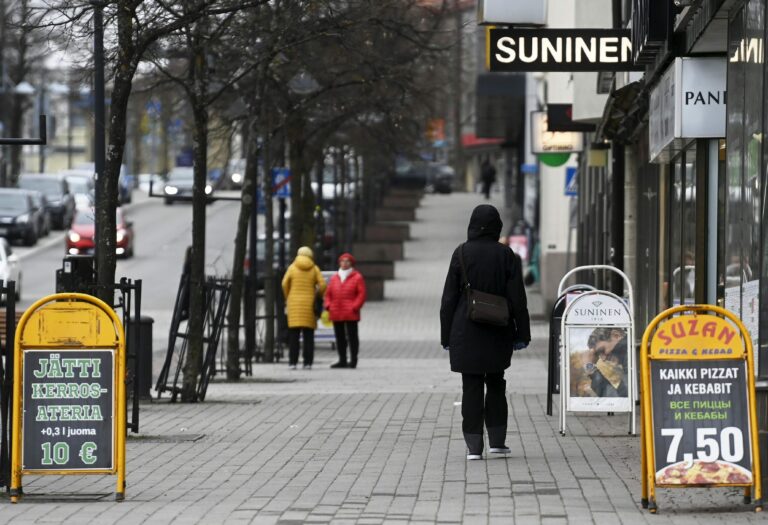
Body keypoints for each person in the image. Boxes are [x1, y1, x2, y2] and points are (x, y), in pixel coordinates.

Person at [440, 204, 531, 460]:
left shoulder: (461, 253)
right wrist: (522, 334)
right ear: (496, 226)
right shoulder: (506, 255)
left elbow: (448, 299)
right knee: (496, 383)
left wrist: (446, 336)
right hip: (498, 328)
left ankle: (473, 448)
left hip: (465, 329)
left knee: (470, 386)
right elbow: (518, 298)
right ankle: (497, 442)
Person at [282, 246, 327, 369]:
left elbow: (284, 283)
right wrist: (317, 294)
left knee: (294, 336)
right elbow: (323, 285)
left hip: (294, 304)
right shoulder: (314, 268)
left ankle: (293, 362)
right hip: (309, 304)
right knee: (308, 336)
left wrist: (288, 296)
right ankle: (307, 362)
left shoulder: (292, 267)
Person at [325, 252, 367, 369]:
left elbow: (361, 294)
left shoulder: (357, 277)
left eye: (347, 261)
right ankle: (342, 359)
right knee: (340, 337)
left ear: (351, 263)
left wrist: (355, 307)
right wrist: (328, 305)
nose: (344, 263)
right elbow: (328, 294)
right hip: (336, 311)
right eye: (342, 261)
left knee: (352, 337)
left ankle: (353, 359)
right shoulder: (335, 277)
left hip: (350, 312)